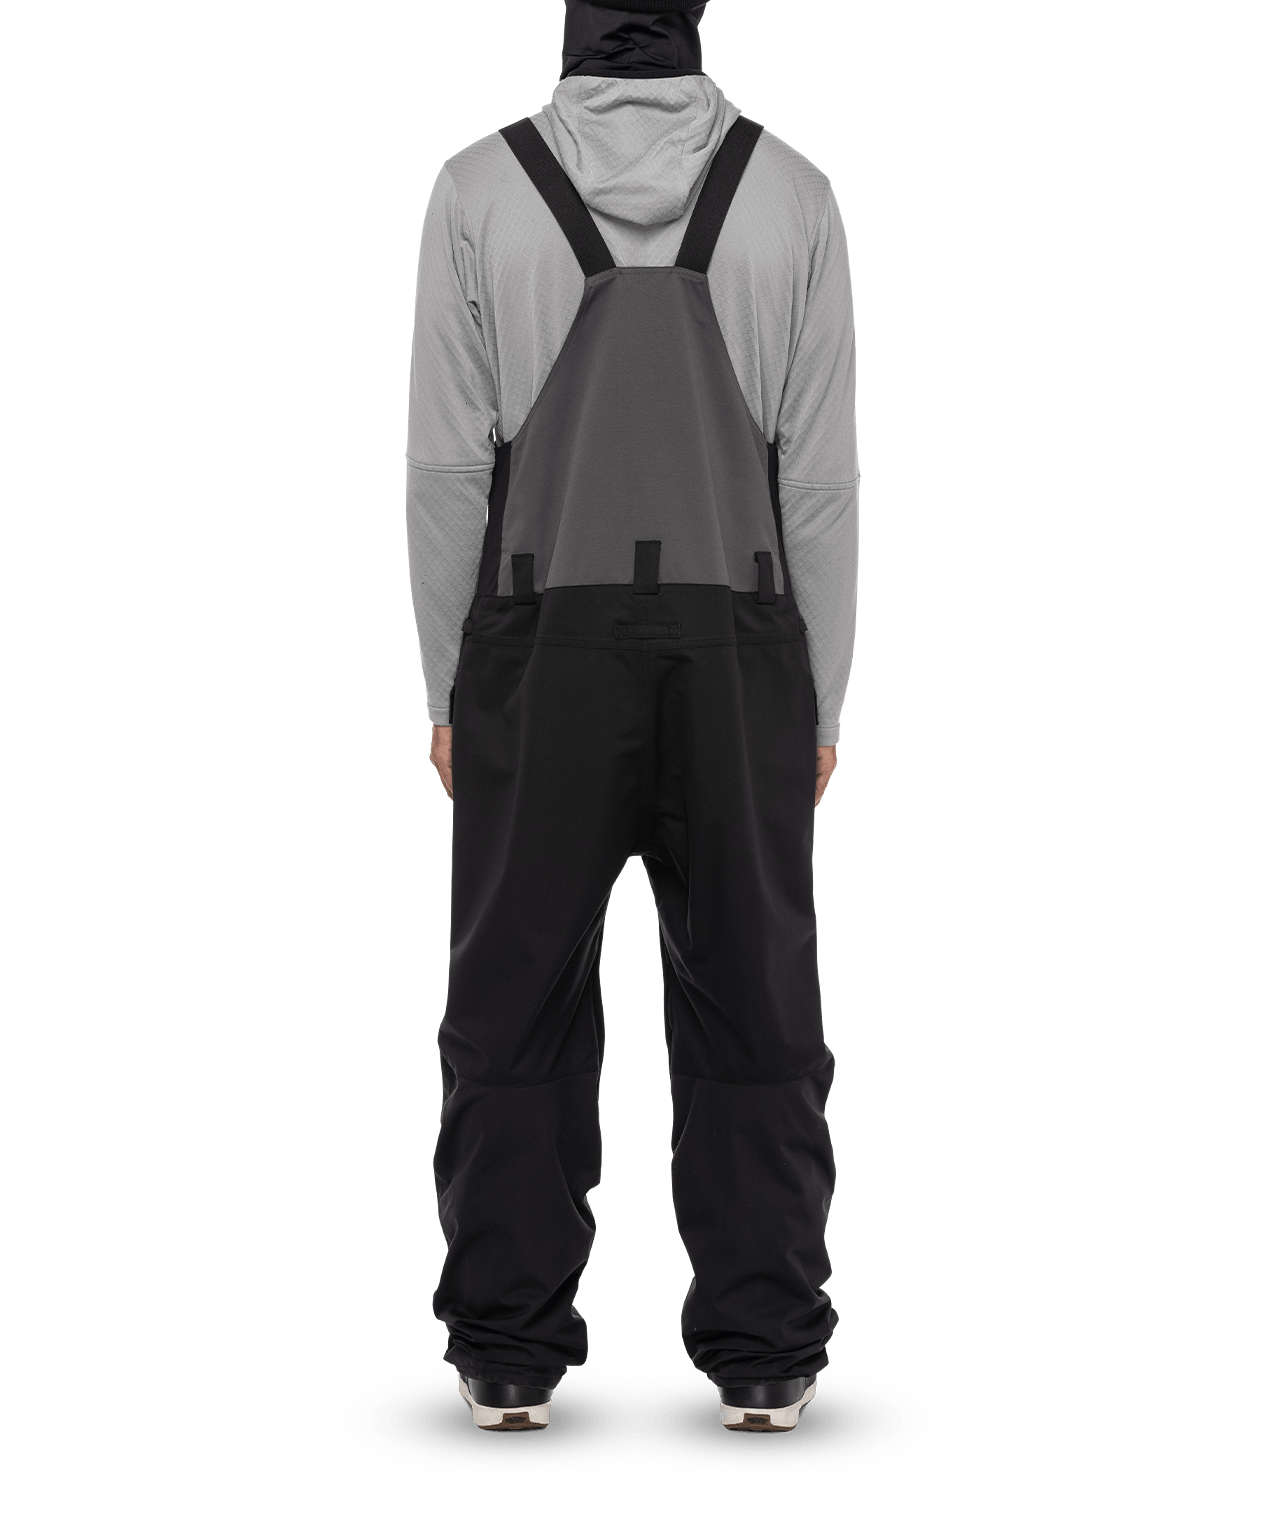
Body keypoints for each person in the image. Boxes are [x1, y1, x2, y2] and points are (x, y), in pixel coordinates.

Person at [405, 0, 858, 1433]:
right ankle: (767, 1358)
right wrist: (826, 694)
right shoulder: (792, 189)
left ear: (571, 25)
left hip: (536, 639)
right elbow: (822, 475)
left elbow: (444, 463)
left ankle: (506, 1358)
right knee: (754, 990)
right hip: (742, 642)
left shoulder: (479, 186)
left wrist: (444, 682)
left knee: (515, 991)